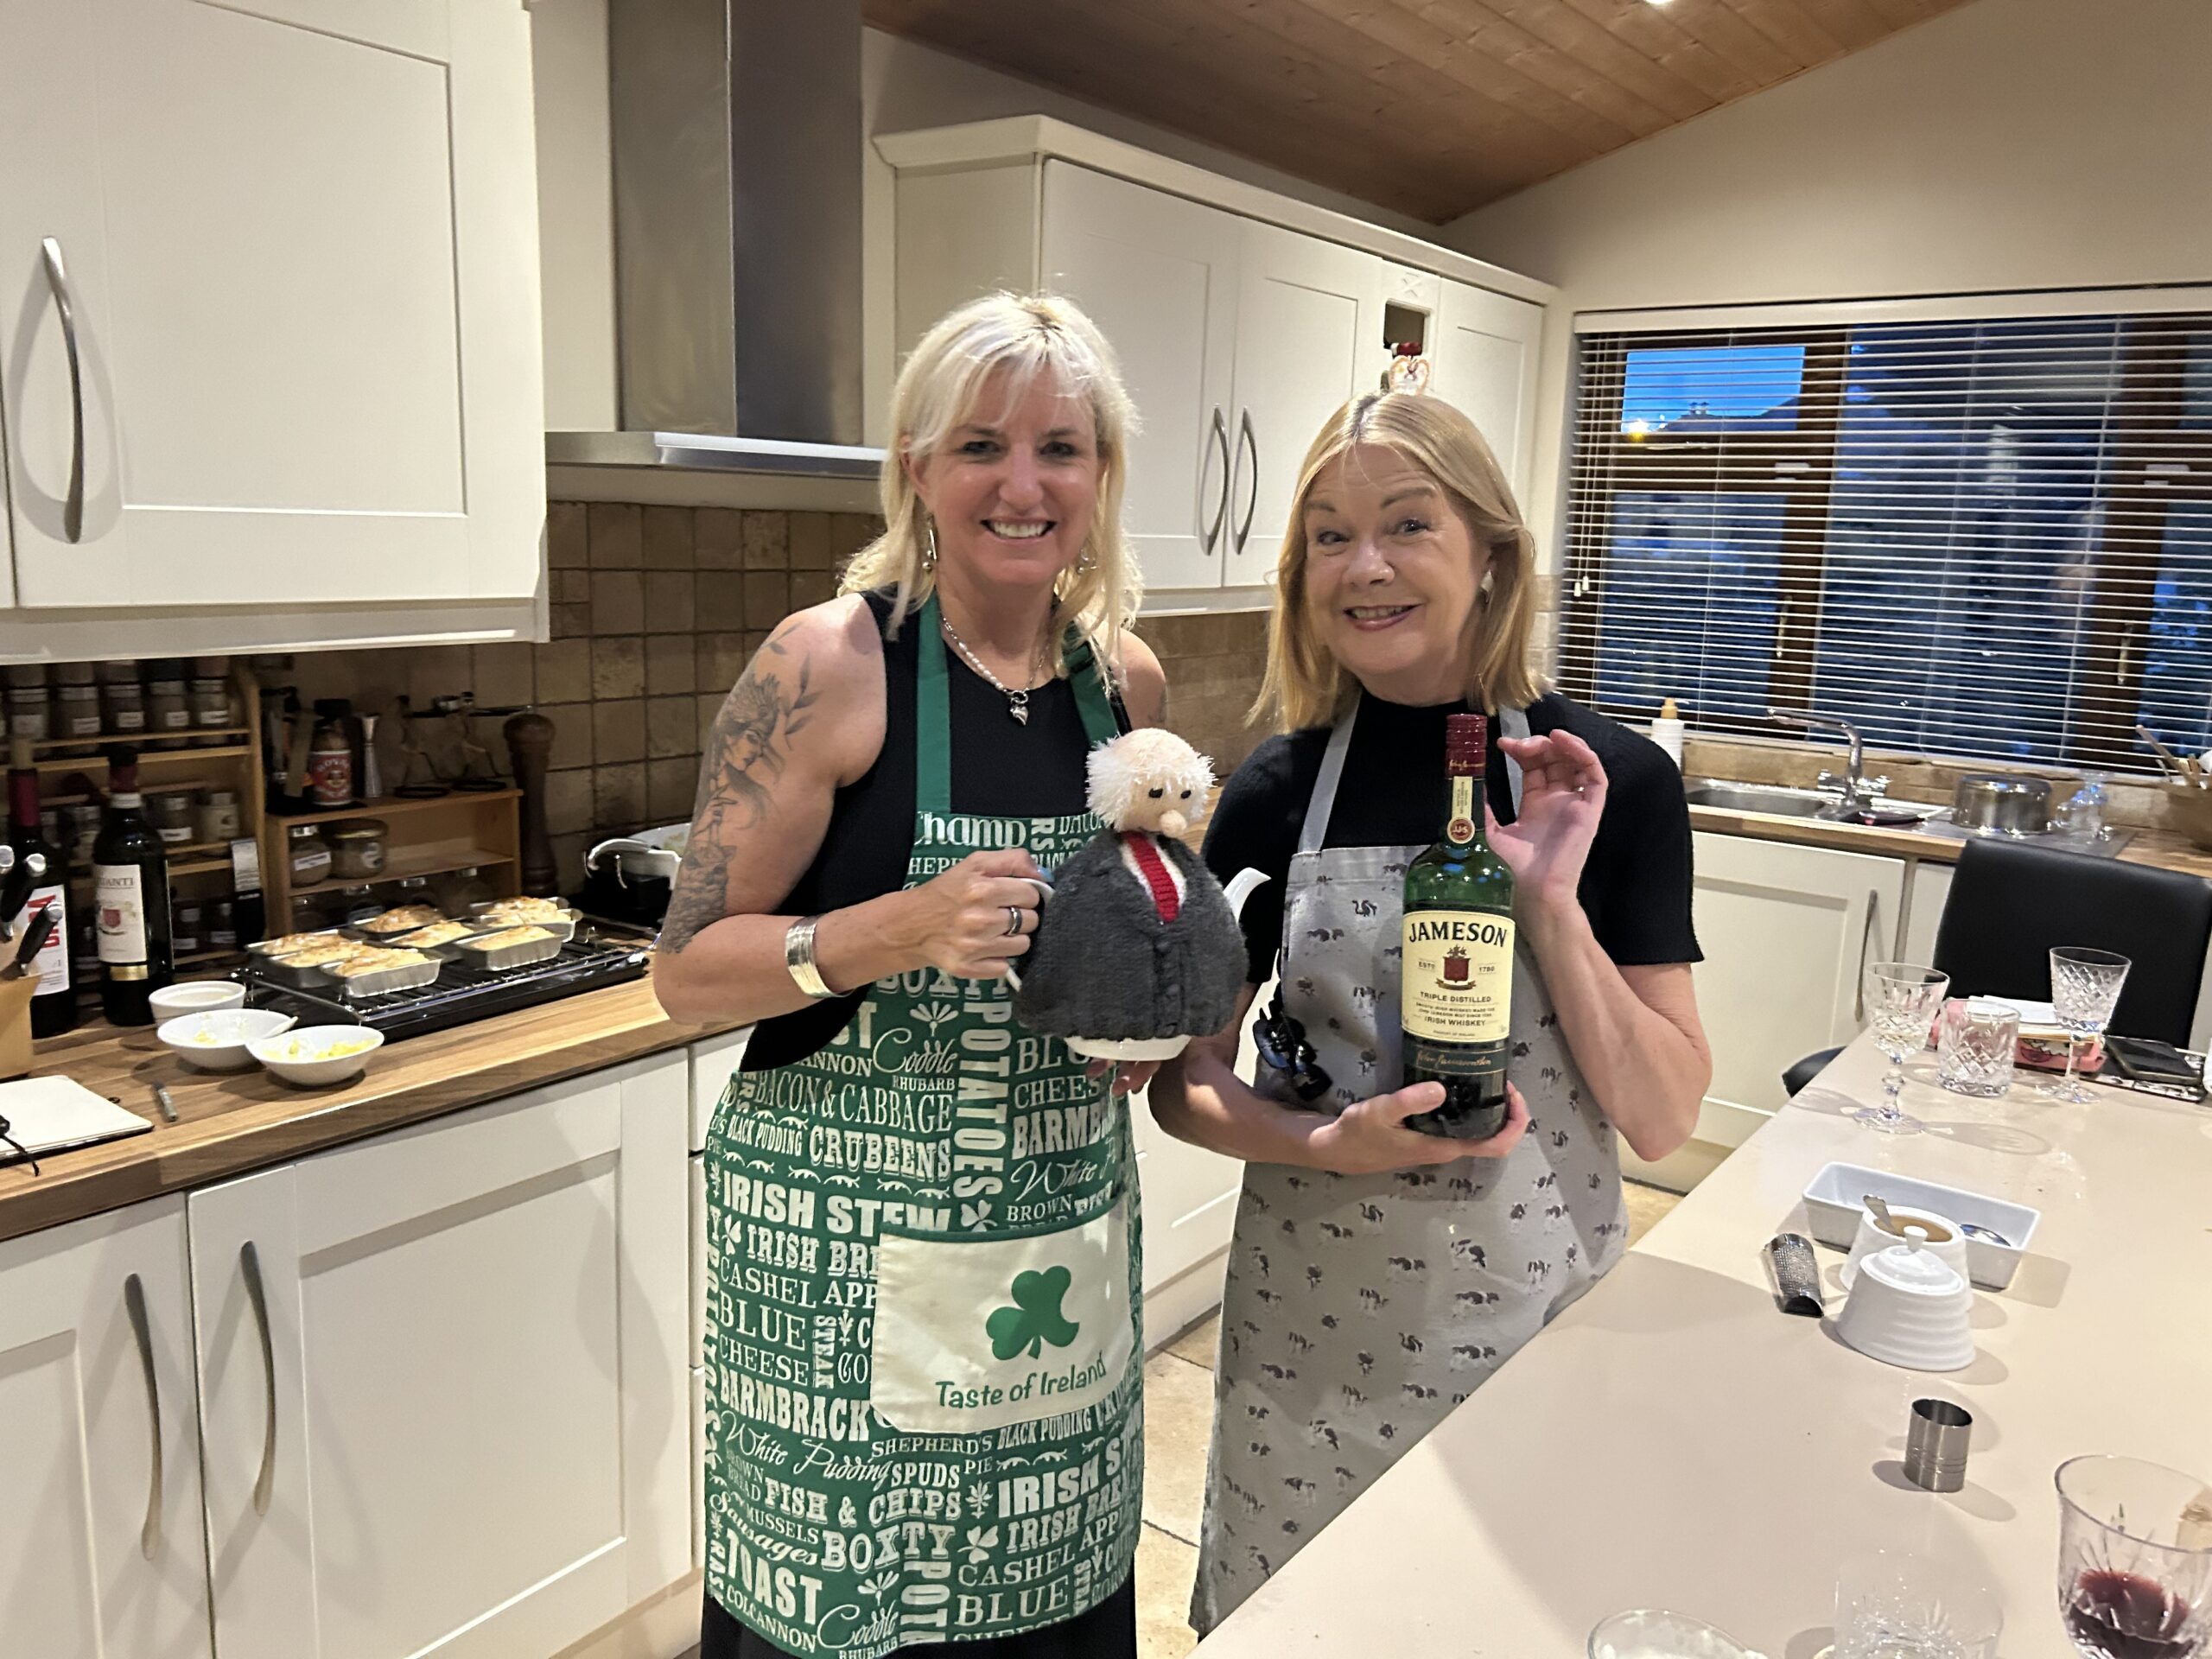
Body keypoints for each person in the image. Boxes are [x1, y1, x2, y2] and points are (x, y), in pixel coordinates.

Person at [1148, 390, 1713, 1634]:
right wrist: (1324, 1144)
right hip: (1309, 1344)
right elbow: (1184, 1089)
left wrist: (1552, 902)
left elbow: (1667, 1117)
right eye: (1329, 536)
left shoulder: (1609, 781)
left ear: (1491, 555)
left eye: (1408, 525)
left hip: (1532, 1316)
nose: (1365, 569)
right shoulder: (1271, 793)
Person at [653, 292, 1166, 1659]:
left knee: (1040, 1599)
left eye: (1061, 447)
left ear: (1101, 475)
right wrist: (891, 930)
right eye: (981, 444)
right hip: (834, 1254)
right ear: (916, 467)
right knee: (848, 1610)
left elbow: (1129, 931)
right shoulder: (828, 663)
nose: (1022, 482)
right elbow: (687, 974)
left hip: (1053, 1229)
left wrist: (1140, 1023)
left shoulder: (1122, 681)